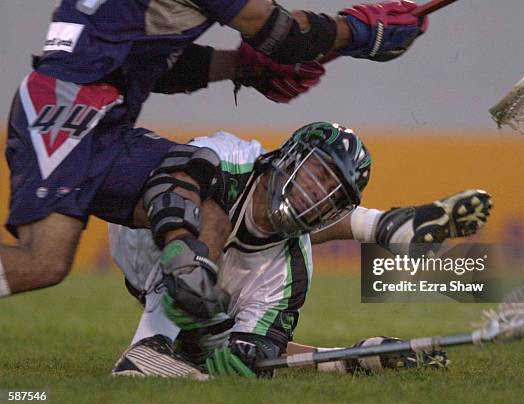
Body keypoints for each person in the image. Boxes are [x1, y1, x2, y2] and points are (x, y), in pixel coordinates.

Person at [0, 0, 429, 300]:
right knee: (43, 263)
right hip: (69, 105)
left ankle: (172, 335)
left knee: (208, 190)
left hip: (97, 106)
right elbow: (281, 34)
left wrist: (245, 68)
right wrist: (358, 33)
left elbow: (158, 65)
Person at [108, 121, 493, 378]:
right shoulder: (232, 156)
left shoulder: (291, 274)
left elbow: (241, 361)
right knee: (209, 214)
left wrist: (350, 359)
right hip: (142, 225)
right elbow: (175, 185)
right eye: (316, 175)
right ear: (289, 156)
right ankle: (150, 344)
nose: (317, 194)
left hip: (201, 285)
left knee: (248, 355)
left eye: (332, 193)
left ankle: (351, 354)